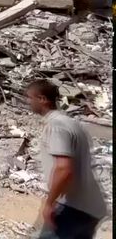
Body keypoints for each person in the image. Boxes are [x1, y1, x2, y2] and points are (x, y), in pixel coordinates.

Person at [26, 80, 106, 238]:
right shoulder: (72, 123)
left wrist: (49, 202)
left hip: (72, 207)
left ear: (42, 99)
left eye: (29, 97)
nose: (27, 101)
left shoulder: (56, 126)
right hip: (91, 207)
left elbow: (64, 169)